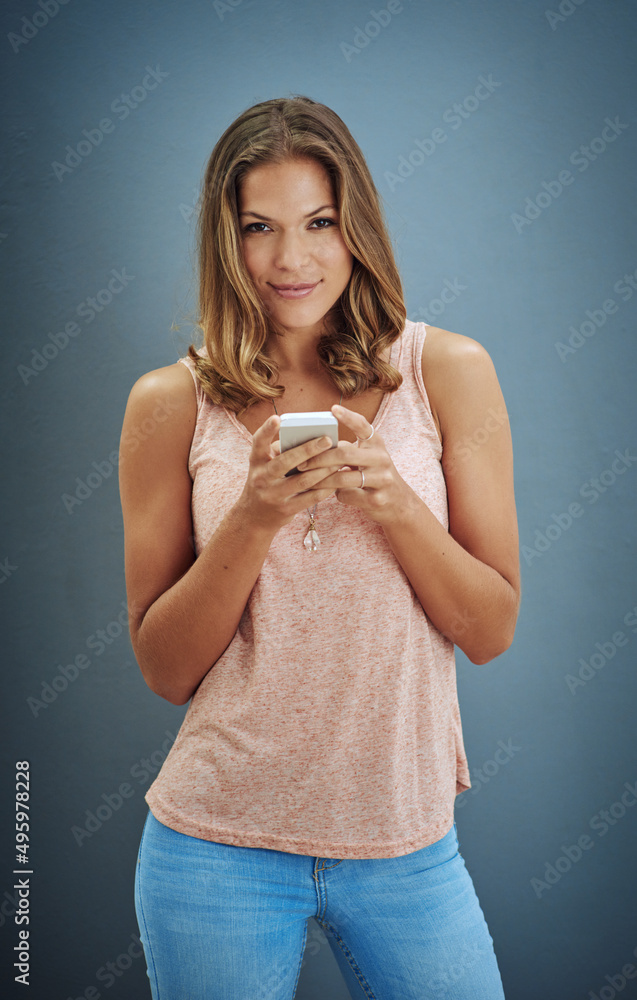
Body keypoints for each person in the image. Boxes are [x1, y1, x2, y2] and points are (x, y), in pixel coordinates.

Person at [118, 94, 520, 1000]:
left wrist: (396, 504)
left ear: (356, 227)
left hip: (407, 849)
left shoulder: (446, 372)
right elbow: (163, 666)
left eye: (319, 222)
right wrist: (253, 516)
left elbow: (491, 627)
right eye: (259, 227)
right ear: (227, 240)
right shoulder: (167, 404)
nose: (290, 259)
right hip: (213, 850)